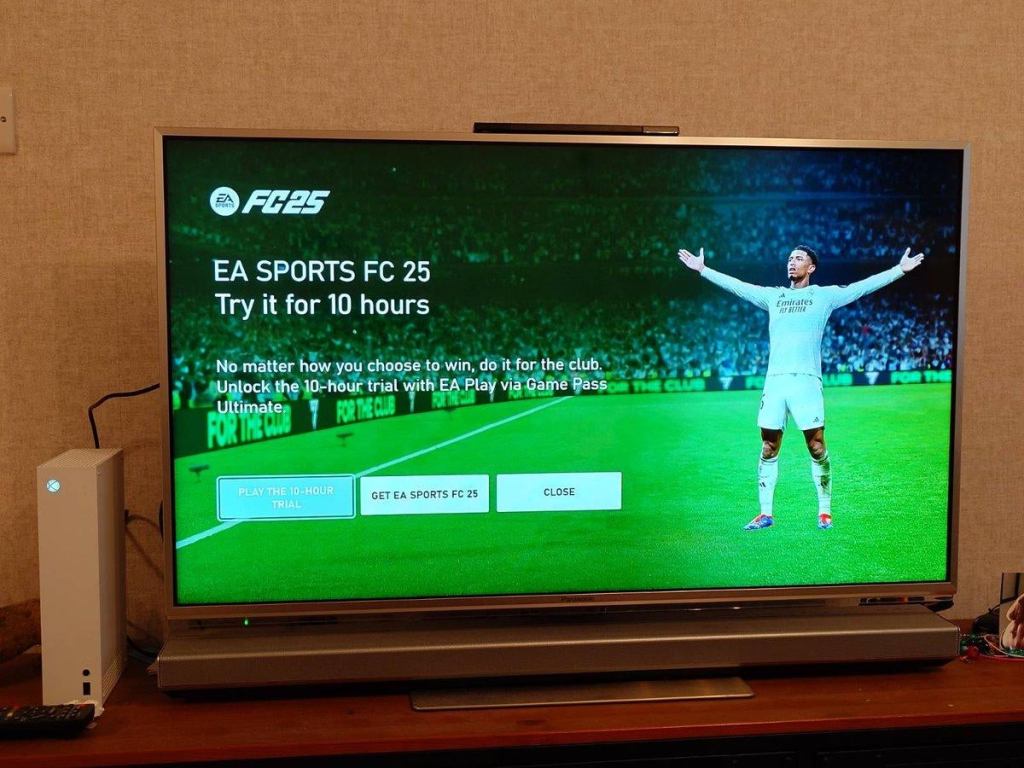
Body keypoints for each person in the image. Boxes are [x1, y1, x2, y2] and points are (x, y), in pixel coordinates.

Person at [677, 245, 924, 530]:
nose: (792, 262)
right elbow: (739, 287)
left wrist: (898, 270)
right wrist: (703, 270)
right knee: (768, 446)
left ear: (812, 267)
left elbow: (861, 287)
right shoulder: (774, 296)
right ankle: (765, 514)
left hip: (807, 381)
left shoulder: (824, 296)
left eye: (798, 259)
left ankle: (824, 512)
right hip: (775, 381)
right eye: (790, 258)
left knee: (816, 446)